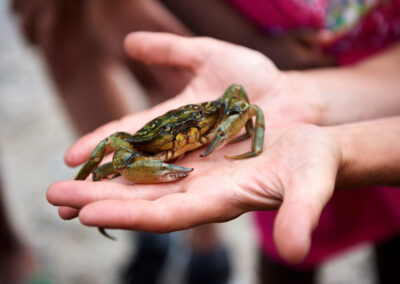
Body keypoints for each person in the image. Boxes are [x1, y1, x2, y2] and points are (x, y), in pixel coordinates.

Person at [46, 31, 400, 280]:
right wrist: (143, 167)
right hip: (151, 150)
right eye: (176, 135)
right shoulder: (136, 145)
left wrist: (242, 139)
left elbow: (244, 102)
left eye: (193, 128)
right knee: (112, 158)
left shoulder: (216, 111)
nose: (184, 136)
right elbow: (113, 156)